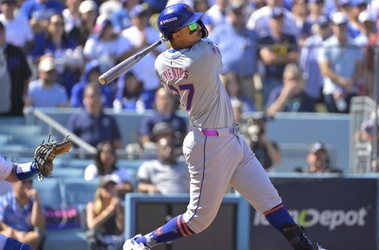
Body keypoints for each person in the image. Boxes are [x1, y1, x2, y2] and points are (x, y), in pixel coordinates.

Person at [123, 4, 315, 250]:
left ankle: (306, 247)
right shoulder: (202, 58)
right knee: (198, 220)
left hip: (231, 138)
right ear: (176, 35)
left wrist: (178, 32)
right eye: (190, 25)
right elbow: (207, 41)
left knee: (270, 200)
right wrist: (184, 32)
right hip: (208, 143)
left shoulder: (160, 62)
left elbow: (186, 43)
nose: (199, 27)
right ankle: (142, 242)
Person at [209, 2, 260, 103]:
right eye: (235, 13)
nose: (237, 16)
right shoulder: (219, 32)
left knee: (249, 108)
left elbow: (259, 55)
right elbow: (209, 54)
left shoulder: (252, 34)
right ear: (229, 14)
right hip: (224, 78)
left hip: (247, 78)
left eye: (240, 13)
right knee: (220, 107)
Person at [318, 11, 364, 113]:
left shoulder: (355, 46)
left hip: (351, 91)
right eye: (339, 26)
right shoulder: (326, 45)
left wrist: (349, 84)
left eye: (344, 26)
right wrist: (343, 82)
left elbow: (360, 68)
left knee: (351, 125)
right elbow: (325, 69)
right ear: (333, 27)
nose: (342, 29)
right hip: (332, 91)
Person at [137, 123, 190, 195]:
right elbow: (140, 186)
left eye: (171, 147)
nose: (169, 150)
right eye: (164, 148)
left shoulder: (185, 164)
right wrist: (149, 187)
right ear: (158, 150)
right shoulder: (149, 166)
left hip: (184, 204)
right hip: (160, 203)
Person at [66, 83, 122, 149]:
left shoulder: (110, 119)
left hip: (104, 158)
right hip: (83, 157)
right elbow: (67, 142)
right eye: (93, 96)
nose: (96, 98)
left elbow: (117, 143)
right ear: (85, 98)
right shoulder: (77, 119)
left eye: (98, 95)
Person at [0, 179, 45, 250]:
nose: (27, 185)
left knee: (35, 236)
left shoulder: (35, 203)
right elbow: (0, 223)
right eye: (24, 182)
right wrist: (15, 233)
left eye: (30, 182)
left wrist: (36, 201)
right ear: (13, 184)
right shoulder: (5, 200)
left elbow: (39, 225)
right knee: (7, 234)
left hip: (25, 236)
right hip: (9, 234)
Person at [0, 21, 32, 116]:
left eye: (0, 30)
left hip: (15, 106)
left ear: (4, 31)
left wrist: (24, 97)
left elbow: (26, 76)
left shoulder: (16, 52)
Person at [85, 176, 125, 250]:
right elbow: (92, 225)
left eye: (112, 187)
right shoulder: (92, 206)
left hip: (117, 241)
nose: (110, 190)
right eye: (106, 187)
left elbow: (122, 229)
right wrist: (109, 210)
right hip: (100, 241)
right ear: (100, 190)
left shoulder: (121, 206)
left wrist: (118, 210)